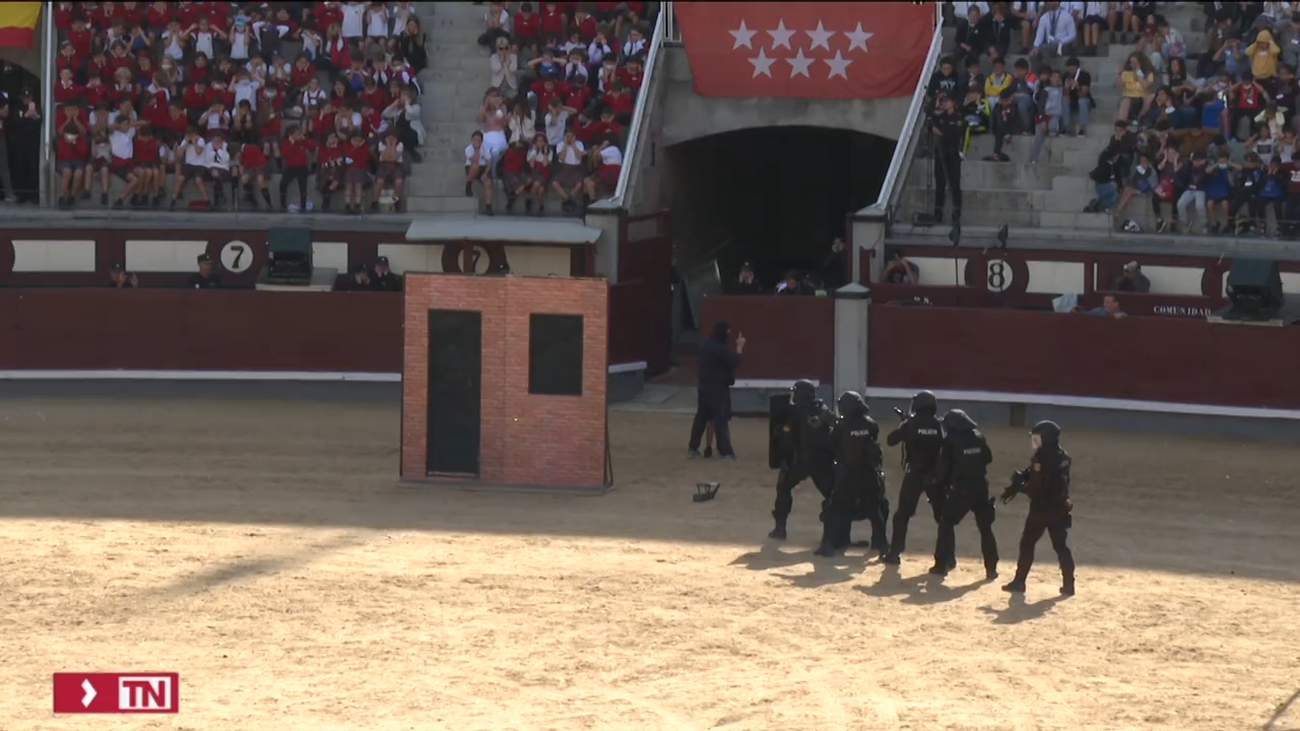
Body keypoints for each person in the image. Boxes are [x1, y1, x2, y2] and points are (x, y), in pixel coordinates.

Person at [1000, 420, 1076, 596]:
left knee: (1027, 544)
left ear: (1046, 438)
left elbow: (1035, 488)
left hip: (1041, 510)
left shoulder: (1040, 459)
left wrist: (1018, 486)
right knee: (1061, 547)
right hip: (1060, 507)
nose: (1034, 441)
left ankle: (1019, 582)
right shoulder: (1063, 456)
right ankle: (1069, 585)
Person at [815, 391, 889, 557]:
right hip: (869, 473)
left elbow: (830, 443)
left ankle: (828, 545)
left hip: (848, 474)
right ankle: (881, 544)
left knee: (835, 507)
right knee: (875, 510)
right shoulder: (871, 423)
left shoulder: (842, 425)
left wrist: (828, 424)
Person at [930, 409, 999, 580]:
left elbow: (942, 470)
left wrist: (937, 483)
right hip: (981, 487)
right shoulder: (978, 436)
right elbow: (988, 458)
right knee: (985, 529)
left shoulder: (950, 441)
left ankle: (942, 565)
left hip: (962, 490)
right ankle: (991, 568)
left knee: (946, 524)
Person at [881, 391, 946, 566]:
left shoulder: (910, 424)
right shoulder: (940, 425)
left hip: (915, 475)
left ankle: (894, 553)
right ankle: (947, 558)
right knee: (943, 518)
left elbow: (890, 440)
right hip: (936, 476)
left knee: (902, 515)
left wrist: (905, 424)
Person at [769, 379, 835, 540]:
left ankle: (780, 529)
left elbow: (787, 435)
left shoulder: (794, 412)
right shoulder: (823, 409)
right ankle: (835, 533)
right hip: (822, 461)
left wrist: (779, 431)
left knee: (784, 487)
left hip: (800, 461)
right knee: (832, 495)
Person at [688, 320, 744, 460]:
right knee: (720, 419)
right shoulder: (720, 348)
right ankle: (725, 452)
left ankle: (693, 448)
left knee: (701, 417)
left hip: (704, 385)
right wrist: (740, 346)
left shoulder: (705, 345)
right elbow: (736, 361)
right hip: (718, 387)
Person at [931, 93, 965, 224]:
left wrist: (940, 132)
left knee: (954, 185)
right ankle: (937, 214)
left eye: (946, 101)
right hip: (940, 154)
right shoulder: (940, 116)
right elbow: (930, 118)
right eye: (942, 101)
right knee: (939, 185)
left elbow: (953, 134)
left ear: (953, 102)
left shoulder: (958, 117)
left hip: (952, 154)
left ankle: (956, 215)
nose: (944, 103)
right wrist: (936, 103)